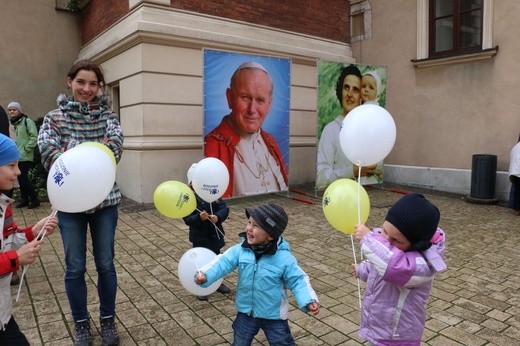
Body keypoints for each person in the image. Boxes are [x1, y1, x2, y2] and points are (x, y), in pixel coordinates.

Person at [37, 59, 124, 346]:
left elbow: (114, 148)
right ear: (69, 82)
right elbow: (48, 152)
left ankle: (108, 320)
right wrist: (87, 156)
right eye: (81, 82)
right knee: (74, 266)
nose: (86, 88)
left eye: (93, 84)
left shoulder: (109, 117)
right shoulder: (54, 118)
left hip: (105, 203)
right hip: (69, 205)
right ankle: (81, 324)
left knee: (106, 264)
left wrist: (71, 153)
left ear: (99, 87)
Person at [195, 202, 319, 345]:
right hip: (247, 311)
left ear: (271, 235)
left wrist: (308, 300)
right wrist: (205, 274)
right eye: (249, 223)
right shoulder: (240, 250)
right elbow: (223, 262)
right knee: (240, 340)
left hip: (274, 314)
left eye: (256, 226)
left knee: (282, 342)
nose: (249, 228)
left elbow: (298, 280)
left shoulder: (284, 259)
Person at [352, 193, 447, 346]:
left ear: (416, 244)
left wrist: (368, 238)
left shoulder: (422, 265)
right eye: (384, 231)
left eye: (396, 240)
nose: (386, 241)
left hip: (398, 336)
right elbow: (377, 267)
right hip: (380, 329)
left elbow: (394, 267)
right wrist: (362, 269)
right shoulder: (387, 250)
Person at [0, 133, 58, 345]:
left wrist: (33, 230)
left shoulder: (3, 204)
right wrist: (16, 258)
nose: (18, 172)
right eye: (12, 165)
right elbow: (10, 253)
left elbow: (8, 238)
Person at [204, 61, 288, 198]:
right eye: (245, 97)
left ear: (269, 105)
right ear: (230, 98)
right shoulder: (211, 146)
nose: (252, 109)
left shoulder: (271, 142)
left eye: (260, 100)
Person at [316, 64, 381, 190]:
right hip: (343, 198)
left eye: (356, 89)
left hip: (371, 196)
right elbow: (321, 179)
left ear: (362, 95)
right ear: (340, 91)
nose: (350, 94)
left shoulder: (369, 127)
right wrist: (352, 171)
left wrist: (375, 166)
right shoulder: (330, 130)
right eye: (346, 88)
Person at [182, 163, 231, 301]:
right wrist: (198, 217)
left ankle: (217, 283)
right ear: (191, 184)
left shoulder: (213, 193)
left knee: (216, 261)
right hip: (200, 238)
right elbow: (187, 219)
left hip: (215, 236)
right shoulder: (189, 199)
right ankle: (200, 286)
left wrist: (218, 217)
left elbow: (224, 208)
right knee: (201, 263)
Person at [7, 102, 40, 209]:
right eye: (10, 110)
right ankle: (25, 200)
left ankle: (35, 200)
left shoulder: (27, 121)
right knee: (20, 179)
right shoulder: (15, 123)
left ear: (19, 111)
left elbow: (34, 137)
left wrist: (26, 149)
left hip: (25, 156)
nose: (12, 111)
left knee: (23, 179)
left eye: (14, 109)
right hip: (18, 156)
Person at [508, 136, 520, 215]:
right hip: (518, 172)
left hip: (515, 173)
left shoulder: (516, 147)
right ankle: (517, 209)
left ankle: (517, 209)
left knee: (517, 192)